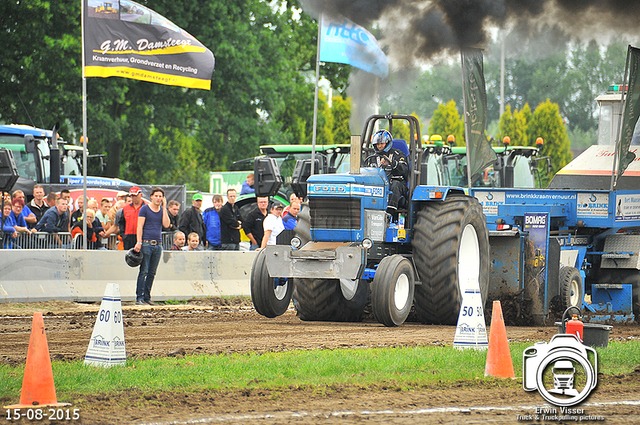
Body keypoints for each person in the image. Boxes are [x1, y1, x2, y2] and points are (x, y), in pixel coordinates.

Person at [133, 187, 170, 306]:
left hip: (158, 244)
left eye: (160, 196)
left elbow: (166, 224)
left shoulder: (161, 211)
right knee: (144, 270)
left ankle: (147, 296)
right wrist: (139, 242)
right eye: (156, 196)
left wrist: (164, 208)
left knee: (152, 272)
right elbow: (140, 226)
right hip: (146, 243)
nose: (158, 198)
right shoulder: (145, 209)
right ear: (151, 197)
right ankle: (139, 297)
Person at [364, 129, 409, 217]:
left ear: (387, 143)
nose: (379, 146)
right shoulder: (372, 158)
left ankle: (388, 215)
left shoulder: (398, 154)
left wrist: (391, 163)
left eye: (381, 143)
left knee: (395, 184)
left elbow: (404, 170)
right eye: (377, 144)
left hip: (397, 185)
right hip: (378, 185)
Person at [121, 186, 144, 250]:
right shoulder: (126, 208)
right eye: (132, 196)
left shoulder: (146, 207)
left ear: (141, 195)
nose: (134, 198)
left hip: (142, 237)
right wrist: (123, 235)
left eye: (135, 196)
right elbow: (121, 222)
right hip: (128, 238)